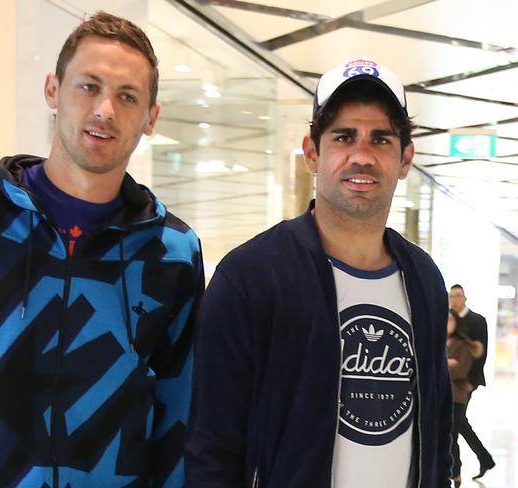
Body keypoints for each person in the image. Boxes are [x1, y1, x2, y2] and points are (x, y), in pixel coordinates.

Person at [0, 11, 203, 487]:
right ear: (53, 90)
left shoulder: (171, 251)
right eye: (89, 86)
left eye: (127, 96)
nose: (105, 109)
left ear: (151, 117)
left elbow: (178, 415)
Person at [185, 59, 452, 487]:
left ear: (405, 159)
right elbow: (212, 445)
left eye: (380, 140)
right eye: (344, 137)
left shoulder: (424, 280)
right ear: (313, 153)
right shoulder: (251, 277)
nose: (361, 156)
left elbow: (437, 425)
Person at [448, 284, 495, 479]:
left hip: (465, 382)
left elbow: (480, 354)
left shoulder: (476, 320)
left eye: (458, 296)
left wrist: (472, 382)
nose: (455, 300)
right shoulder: (449, 319)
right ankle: (483, 459)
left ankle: (457, 468)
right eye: (451, 297)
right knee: (459, 423)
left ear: (465, 298)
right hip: (451, 381)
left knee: (456, 422)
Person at [446, 309, 485, 487]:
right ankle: (484, 459)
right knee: (459, 428)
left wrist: (446, 365)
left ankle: (456, 473)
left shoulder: (462, 342)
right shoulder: (443, 342)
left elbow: (461, 368)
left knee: (455, 429)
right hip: (447, 394)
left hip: (458, 394)